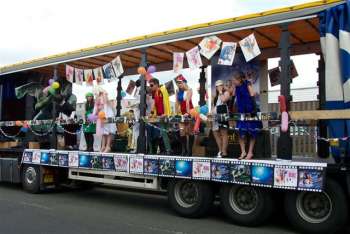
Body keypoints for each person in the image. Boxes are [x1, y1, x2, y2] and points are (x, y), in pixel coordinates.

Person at [232, 71, 262, 160]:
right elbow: (233, 96)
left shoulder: (247, 83)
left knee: (252, 132)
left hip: (250, 110)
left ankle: (250, 152)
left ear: (239, 79)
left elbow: (252, 94)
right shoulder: (236, 87)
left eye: (234, 80)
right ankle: (243, 151)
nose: (233, 81)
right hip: (241, 111)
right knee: (240, 131)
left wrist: (254, 110)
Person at [148, 78, 172, 154]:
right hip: (159, 116)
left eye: (151, 85)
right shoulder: (155, 92)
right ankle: (165, 150)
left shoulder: (163, 90)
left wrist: (166, 113)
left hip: (164, 115)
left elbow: (165, 102)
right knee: (162, 133)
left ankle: (168, 150)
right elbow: (154, 104)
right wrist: (151, 113)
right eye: (150, 85)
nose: (150, 87)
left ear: (156, 84)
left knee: (165, 133)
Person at [175, 74, 194, 156]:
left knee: (189, 132)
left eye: (180, 83)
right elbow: (177, 103)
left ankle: (190, 151)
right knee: (182, 132)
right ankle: (184, 149)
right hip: (182, 113)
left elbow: (187, 103)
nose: (179, 84)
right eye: (178, 83)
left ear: (185, 82)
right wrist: (176, 114)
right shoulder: (178, 91)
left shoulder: (189, 90)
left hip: (189, 111)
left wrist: (188, 113)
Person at [94, 88, 117, 153]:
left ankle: (108, 146)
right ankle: (103, 146)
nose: (96, 94)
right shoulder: (97, 98)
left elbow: (106, 106)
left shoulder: (104, 96)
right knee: (103, 132)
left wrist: (106, 116)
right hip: (102, 114)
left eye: (96, 93)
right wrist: (94, 116)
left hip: (107, 114)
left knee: (108, 131)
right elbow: (96, 108)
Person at [212, 80, 230, 158]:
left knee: (224, 133)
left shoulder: (226, 93)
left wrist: (220, 92)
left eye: (220, 85)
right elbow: (213, 106)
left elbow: (223, 100)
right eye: (217, 86)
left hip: (223, 113)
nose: (219, 87)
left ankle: (224, 151)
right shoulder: (215, 96)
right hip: (216, 114)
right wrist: (210, 114)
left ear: (223, 86)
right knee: (215, 132)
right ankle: (220, 150)